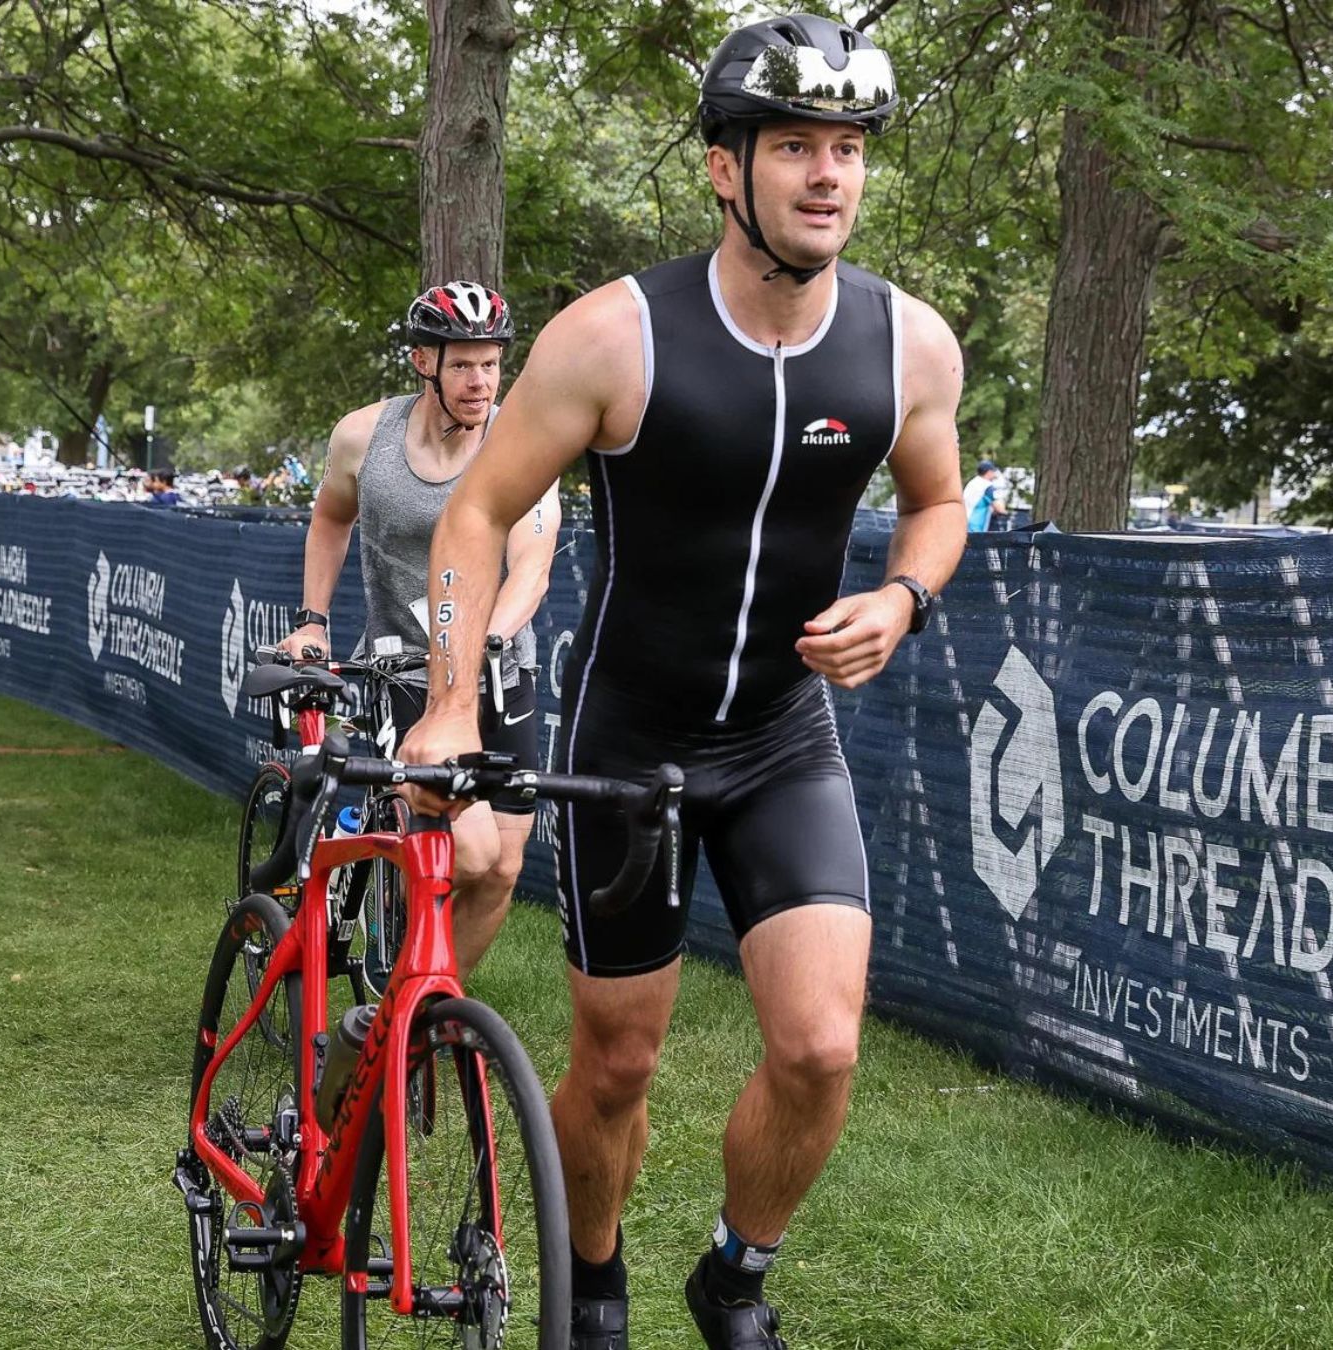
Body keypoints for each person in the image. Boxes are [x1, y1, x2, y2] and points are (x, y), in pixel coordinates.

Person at [397, 16, 966, 1348]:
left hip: (781, 739)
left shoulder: (908, 345)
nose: (827, 174)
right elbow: (476, 512)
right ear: (726, 168)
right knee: (616, 1063)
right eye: (795, 146)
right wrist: (452, 700)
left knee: (821, 1045)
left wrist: (903, 597)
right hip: (628, 747)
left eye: (847, 149)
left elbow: (940, 503)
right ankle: (595, 1280)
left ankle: (735, 1276)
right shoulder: (616, 336)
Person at [276, 281, 556, 977]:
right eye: (463, 365)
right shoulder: (364, 437)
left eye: (491, 364)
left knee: (502, 869)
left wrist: (484, 643)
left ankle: (421, 1004)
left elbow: (532, 567)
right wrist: (313, 622)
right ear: (423, 361)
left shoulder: (524, 442)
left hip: (501, 672)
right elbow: (331, 518)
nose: (481, 381)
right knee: (471, 850)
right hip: (403, 671)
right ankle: (401, 977)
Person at [961, 459, 1002, 533]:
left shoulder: (972, 482)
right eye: (993, 472)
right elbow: (999, 508)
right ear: (989, 472)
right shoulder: (987, 486)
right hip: (975, 527)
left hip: (963, 522)